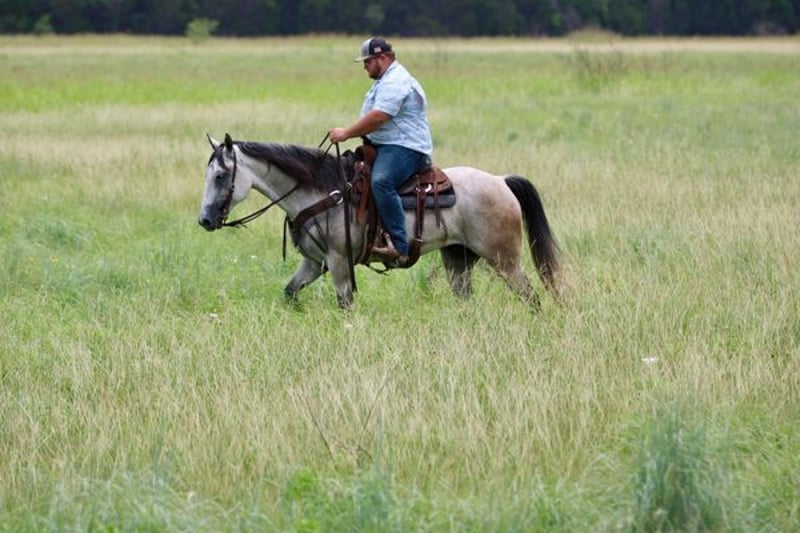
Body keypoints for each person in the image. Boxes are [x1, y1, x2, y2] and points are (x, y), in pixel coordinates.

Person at [329, 37, 433, 266]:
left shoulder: (396, 80)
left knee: (381, 182)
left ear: (383, 58)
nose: (365, 67)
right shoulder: (385, 80)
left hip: (405, 147)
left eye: (368, 61)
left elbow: (379, 117)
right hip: (386, 146)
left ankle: (399, 246)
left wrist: (346, 133)